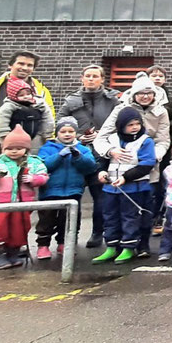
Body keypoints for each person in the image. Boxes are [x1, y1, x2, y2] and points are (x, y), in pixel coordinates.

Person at [95, 73, 170, 258]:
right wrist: (110, 151)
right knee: (116, 210)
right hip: (118, 164)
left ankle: (143, 245)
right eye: (141, 93)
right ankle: (116, 244)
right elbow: (102, 137)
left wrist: (153, 156)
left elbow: (163, 140)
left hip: (147, 166)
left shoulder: (161, 111)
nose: (145, 96)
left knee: (145, 208)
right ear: (134, 94)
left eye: (149, 92)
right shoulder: (121, 109)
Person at [59, 64, 121, 248]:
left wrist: (102, 134)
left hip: (103, 155)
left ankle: (97, 232)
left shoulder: (113, 100)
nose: (91, 79)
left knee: (100, 197)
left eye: (95, 76)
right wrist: (79, 137)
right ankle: (69, 238)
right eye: (88, 76)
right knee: (73, 198)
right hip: (76, 155)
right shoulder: (71, 101)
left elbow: (122, 122)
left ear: (102, 79)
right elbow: (59, 124)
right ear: (82, 78)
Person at [92, 108, 156, 265]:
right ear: (121, 126)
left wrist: (126, 178)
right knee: (110, 216)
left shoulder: (145, 141)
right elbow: (102, 158)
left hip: (135, 187)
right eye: (130, 125)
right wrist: (101, 172)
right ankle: (112, 246)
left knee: (130, 217)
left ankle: (129, 246)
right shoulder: (112, 139)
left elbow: (146, 164)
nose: (134, 127)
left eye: (137, 124)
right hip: (111, 187)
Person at [36, 117, 96, 260]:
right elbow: (43, 165)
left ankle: (65, 243)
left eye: (71, 131)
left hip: (73, 191)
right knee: (46, 220)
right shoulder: (47, 148)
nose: (67, 134)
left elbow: (91, 167)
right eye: (63, 131)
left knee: (69, 220)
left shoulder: (82, 149)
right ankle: (43, 245)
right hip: (50, 191)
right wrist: (59, 156)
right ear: (57, 133)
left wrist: (78, 157)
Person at [0, 125, 49, 269]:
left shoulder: (34, 162)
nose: (14, 151)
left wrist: (32, 179)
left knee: (19, 230)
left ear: (27, 149)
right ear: (3, 148)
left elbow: (44, 177)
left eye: (18, 148)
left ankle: (13, 254)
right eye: (9, 148)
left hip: (23, 204)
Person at [0, 51, 55, 155]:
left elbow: (49, 117)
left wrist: (48, 138)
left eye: (29, 65)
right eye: (21, 63)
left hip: (32, 147)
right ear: (10, 65)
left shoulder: (41, 91)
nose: (24, 68)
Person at [146, 65, 172, 236]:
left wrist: (162, 125)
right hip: (143, 146)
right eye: (154, 75)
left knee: (161, 183)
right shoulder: (139, 98)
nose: (157, 78)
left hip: (164, 145)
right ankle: (145, 217)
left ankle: (158, 217)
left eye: (160, 75)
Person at [0, 77, 54, 153]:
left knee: (35, 153)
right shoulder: (9, 106)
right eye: (21, 95)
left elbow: (48, 119)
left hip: (36, 136)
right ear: (13, 96)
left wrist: (47, 134)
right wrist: (4, 138)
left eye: (28, 93)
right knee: (17, 154)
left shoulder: (40, 104)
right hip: (15, 137)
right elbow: (2, 122)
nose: (26, 96)